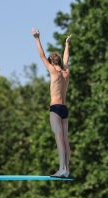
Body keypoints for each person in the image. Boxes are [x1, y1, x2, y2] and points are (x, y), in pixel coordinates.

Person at [31, 28, 72, 177]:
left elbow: (41, 54)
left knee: (58, 138)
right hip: (64, 109)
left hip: (55, 108)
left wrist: (37, 38)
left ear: (50, 61)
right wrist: (67, 44)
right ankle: (66, 168)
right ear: (59, 61)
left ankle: (62, 168)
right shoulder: (65, 73)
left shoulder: (53, 71)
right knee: (65, 139)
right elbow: (66, 59)